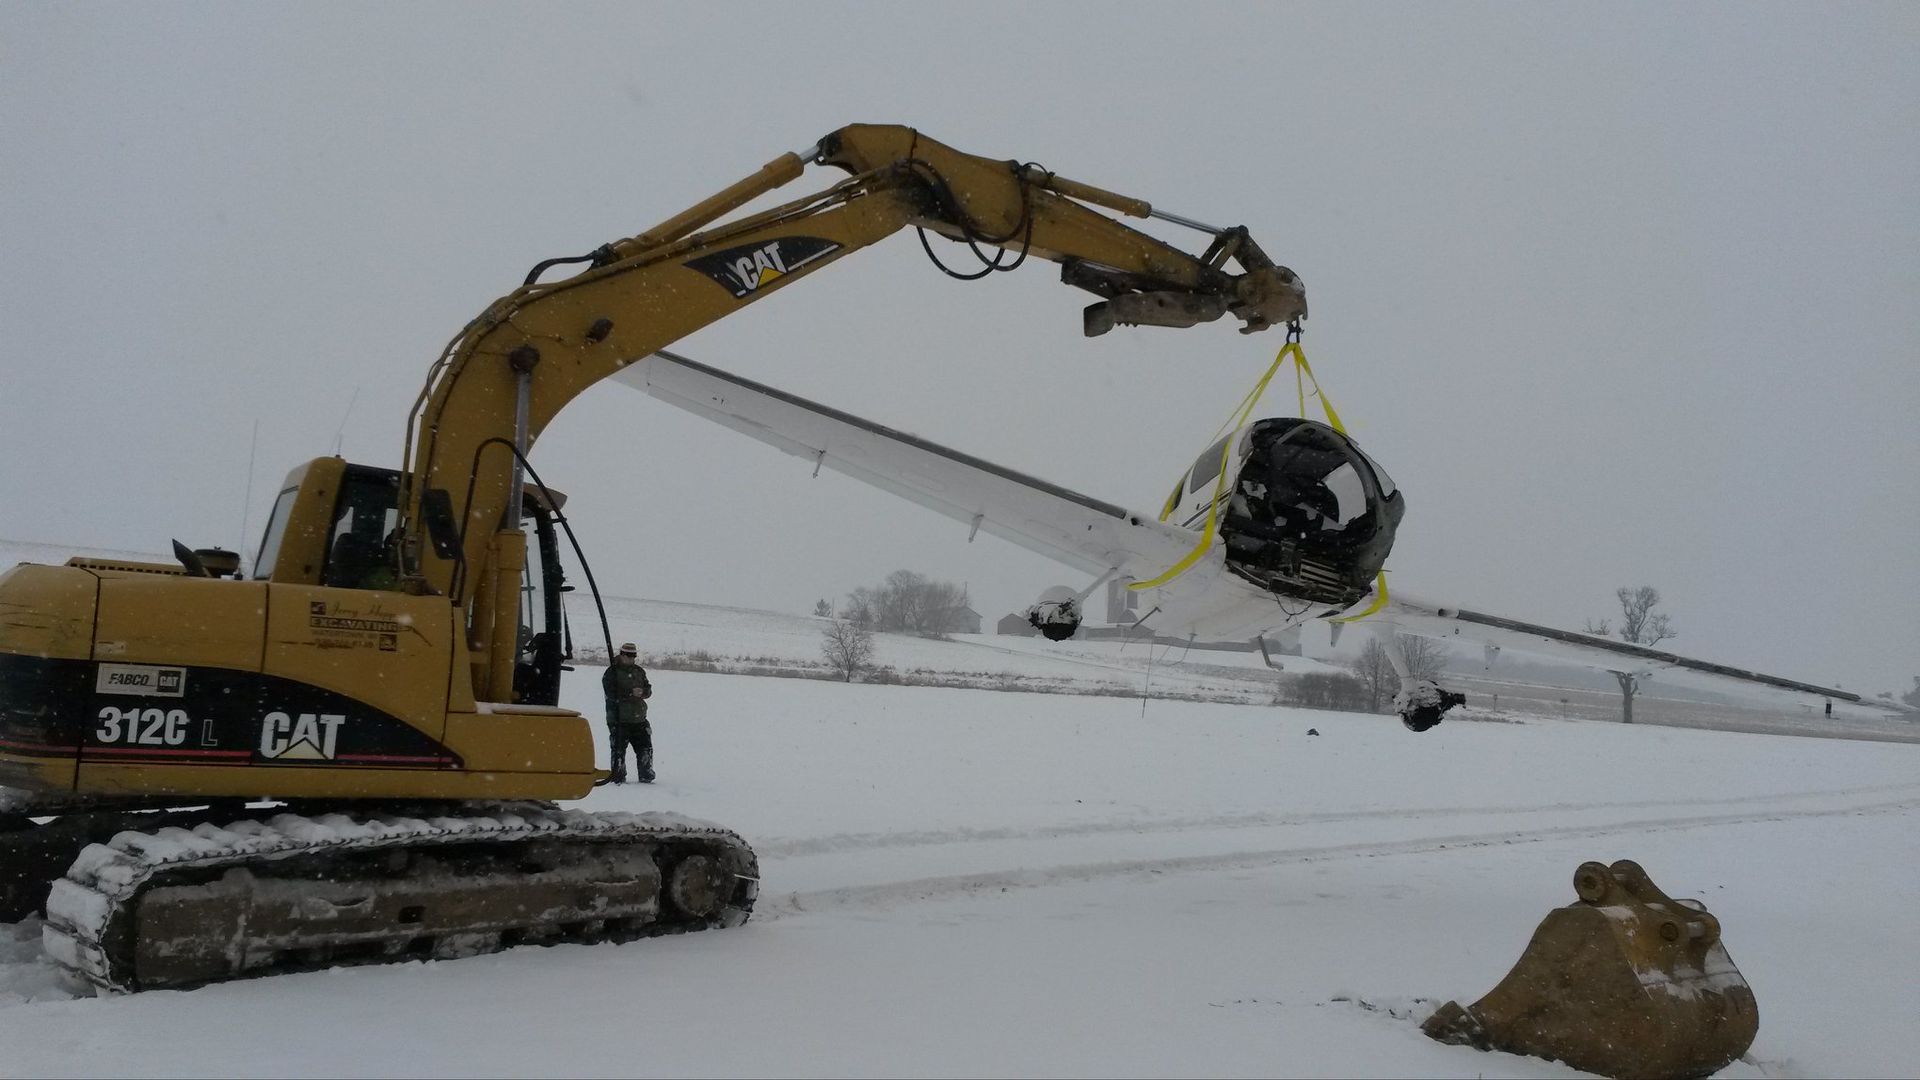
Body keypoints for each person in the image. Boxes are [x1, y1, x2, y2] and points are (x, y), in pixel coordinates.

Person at [602, 642, 654, 783]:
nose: (632, 658)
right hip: (619, 719)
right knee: (618, 751)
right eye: (629, 655)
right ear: (622, 655)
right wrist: (631, 693)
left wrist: (643, 692)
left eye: (634, 656)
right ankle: (618, 777)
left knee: (645, 749)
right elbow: (611, 693)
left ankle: (646, 775)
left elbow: (648, 689)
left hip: (639, 719)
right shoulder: (611, 672)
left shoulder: (639, 671)